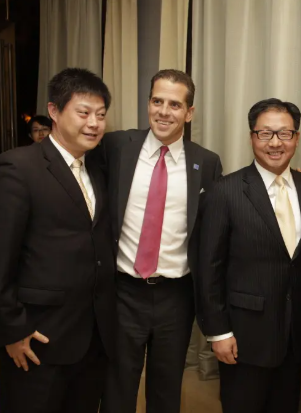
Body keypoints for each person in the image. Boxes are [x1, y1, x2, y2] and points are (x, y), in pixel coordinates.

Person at [0, 68, 116, 413]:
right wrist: (11, 330)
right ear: (54, 111)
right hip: (37, 337)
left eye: (100, 115)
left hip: (93, 336)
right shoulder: (16, 168)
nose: (94, 123)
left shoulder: (98, 168)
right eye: (83, 113)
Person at [98, 69, 223, 413]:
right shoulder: (116, 146)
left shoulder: (207, 163)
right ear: (148, 103)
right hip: (122, 291)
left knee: (167, 387)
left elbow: (216, 225)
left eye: (174, 104)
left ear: (189, 112)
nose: (164, 112)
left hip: (176, 296)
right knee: (117, 385)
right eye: (157, 101)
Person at [197, 98, 301, 413]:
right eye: (265, 134)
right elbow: (208, 268)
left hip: (293, 335)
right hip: (242, 336)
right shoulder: (224, 192)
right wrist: (218, 331)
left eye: (285, 134)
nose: (276, 143)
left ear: (297, 138)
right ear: (252, 136)